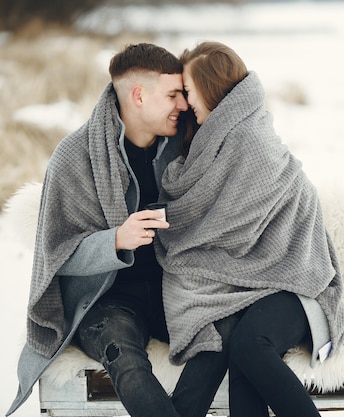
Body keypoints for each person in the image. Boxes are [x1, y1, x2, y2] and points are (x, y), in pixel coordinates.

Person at [7, 43, 231, 417]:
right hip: (107, 300)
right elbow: (55, 256)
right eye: (173, 95)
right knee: (123, 355)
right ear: (139, 96)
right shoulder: (74, 156)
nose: (182, 105)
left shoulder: (187, 144)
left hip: (177, 288)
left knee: (225, 332)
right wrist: (114, 240)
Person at [154, 41, 344, 417]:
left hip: (296, 283)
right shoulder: (214, 141)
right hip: (257, 290)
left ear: (212, 90)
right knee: (242, 359)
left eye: (189, 91)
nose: (186, 102)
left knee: (248, 345)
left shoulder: (250, 142)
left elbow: (232, 227)